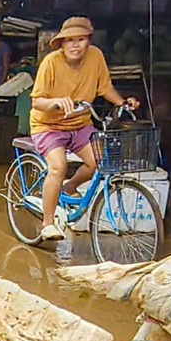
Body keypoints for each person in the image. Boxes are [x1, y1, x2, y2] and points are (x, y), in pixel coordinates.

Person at [28, 16, 127, 243]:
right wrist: (55, 103)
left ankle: (70, 186)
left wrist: (122, 103)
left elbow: (106, 88)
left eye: (81, 39)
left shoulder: (96, 57)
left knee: (100, 162)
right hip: (48, 125)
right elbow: (37, 102)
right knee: (58, 166)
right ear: (61, 44)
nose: (75, 45)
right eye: (69, 40)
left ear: (88, 41)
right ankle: (47, 223)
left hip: (81, 123)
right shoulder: (51, 62)